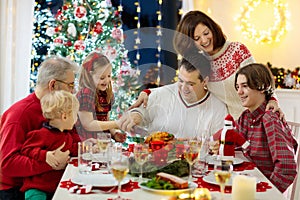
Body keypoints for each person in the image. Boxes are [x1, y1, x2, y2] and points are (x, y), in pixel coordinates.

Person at [132, 10, 281, 120]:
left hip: (261, 119)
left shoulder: (237, 50)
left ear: (212, 29)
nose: (204, 40)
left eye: (206, 33)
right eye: (197, 38)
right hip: (235, 127)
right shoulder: (201, 64)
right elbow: (182, 85)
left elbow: (261, 81)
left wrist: (273, 100)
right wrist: (149, 93)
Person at [0, 56, 78, 200]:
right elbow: (7, 164)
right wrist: (51, 163)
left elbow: (70, 139)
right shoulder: (18, 116)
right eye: (71, 85)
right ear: (53, 85)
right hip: (17, 191)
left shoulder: (60, 109)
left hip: (48, 182)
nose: (73, 91)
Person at [213, 63, 297, 192]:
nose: (239, 92)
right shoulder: (246, 117)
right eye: (237, 87)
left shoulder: (269, 119)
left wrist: (268, 192)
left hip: (261, 190)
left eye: (245, 86)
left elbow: (286, 168)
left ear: (262, 87)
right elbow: (232, 139)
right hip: (247, 182)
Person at [120, 52, 227, 138]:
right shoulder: (162, 94)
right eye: (181, 81)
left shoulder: (218, 109)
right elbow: (140, 112)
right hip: (154, 161)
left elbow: (219, 148)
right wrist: (136, 114)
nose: (183, 88)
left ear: (204, 81)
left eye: (190, 84)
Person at [20, 90, 81, 200]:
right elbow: (26, 149)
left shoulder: (66, 136)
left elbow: (71, 149)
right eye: (75, 115)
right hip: (37, 188)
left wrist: (86, 149)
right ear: (65, 116)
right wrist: (45, 155)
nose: (76, 120)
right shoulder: (41, 135)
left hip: (55, 186)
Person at [75, 51, 126, 142]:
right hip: (87, 142)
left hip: (102, 142)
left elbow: (105, 119)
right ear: (90, 76)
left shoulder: (106, 94)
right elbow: (88, 124)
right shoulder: (85, 94)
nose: (107, 80)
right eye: (102, 78)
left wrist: (114, 133)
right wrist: (116, 124)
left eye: (109, 76)